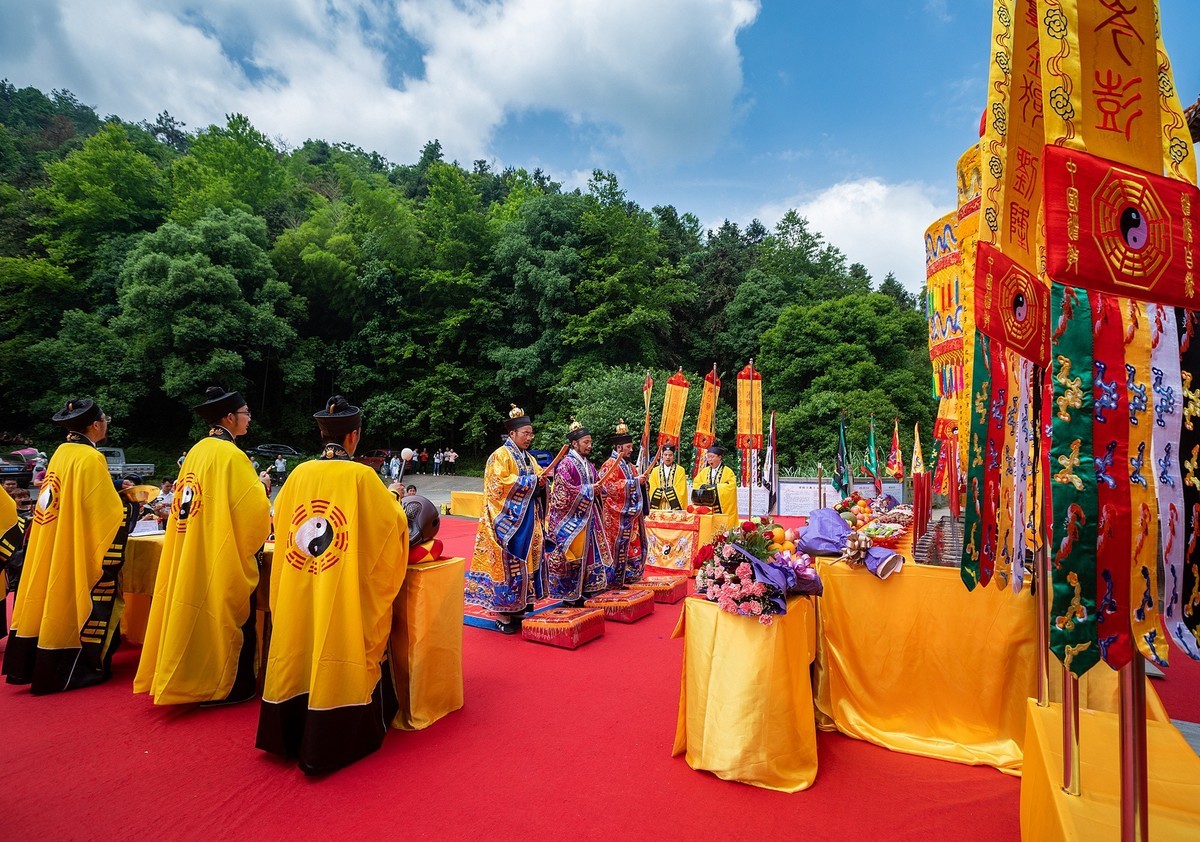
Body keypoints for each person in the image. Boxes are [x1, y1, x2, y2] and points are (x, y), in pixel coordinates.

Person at [256, 395, 409, 775]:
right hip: (339, 585)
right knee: (338, 639)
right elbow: (392, 529)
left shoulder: (298, 475)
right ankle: (336, 731)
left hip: (301, 579)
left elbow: (280, 524)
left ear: (322, 433)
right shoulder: (362, 477)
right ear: (354, 437)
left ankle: (287, 730)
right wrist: (392, 495)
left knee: (299, 640)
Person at [133, 386, 271, 705]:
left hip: (193, 544)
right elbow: (253, 514)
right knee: (225, 619)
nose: (249, 419)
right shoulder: (231, 456)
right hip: (220, 554)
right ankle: (228, 685)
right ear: (229, 417)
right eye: (246, 413)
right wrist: (262, 491)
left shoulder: (196, 452)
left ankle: (190, 678)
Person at [3, 398, 136, 693]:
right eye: (105, 419)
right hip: (75, 543)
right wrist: (129, 502)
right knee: (75, 598)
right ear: (94, 425)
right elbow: (106, 513)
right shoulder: (90, 458)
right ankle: (76, 664)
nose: (106, 424)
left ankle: (36, 660)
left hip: (53, 535)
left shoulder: (62, 453)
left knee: (51, 595)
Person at [466, 406, 558, 633]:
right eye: (525, 433)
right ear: (512, 434)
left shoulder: (528, 458)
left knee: (528, 561)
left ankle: (518, 607)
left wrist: (544, 480)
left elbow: (538, 479)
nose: (529, 437)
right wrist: (534, 481)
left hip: (528, 519)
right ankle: (502, 613)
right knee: (509, 563)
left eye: (531, 433)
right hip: (506, 522)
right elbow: (499, 485)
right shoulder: (500, 455)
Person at [543, 420, 613, 607]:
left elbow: (598, 485)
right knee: (573, 557)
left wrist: (600, 490)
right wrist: (590, 489)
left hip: (590, 519)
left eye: (590, 442)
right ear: (575, 444)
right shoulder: (566, 464)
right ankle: (569, 595)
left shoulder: (589, 466)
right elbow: (563, 492)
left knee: (590, 554)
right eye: (586, 442)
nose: (589, 446)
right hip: (572, 522)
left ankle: (585, 589)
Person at [598, 420, 650, 587]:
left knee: (634, 543)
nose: (631, 450)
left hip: (631, 514)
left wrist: (642, 482)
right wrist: (634, 482)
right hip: (616, 516)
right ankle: (616, 578)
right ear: (619, 448)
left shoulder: (630, 466)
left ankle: (631, 575)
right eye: (628, 447)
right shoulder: (608, 465)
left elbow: (635, 482)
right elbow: (609, 487)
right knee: (619, 546)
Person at [699, 443, 739, 531]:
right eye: (708, 457)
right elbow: (697, 484)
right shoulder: (704, 472)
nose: (709, 460)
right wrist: (703, 487)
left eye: (712, 457)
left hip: (722, 508)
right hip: (708, 507)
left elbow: (731, 487)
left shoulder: (728, 472)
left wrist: (715, 488)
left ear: (719, 457)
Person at [648, 444, 688, 510]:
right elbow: (651, 487)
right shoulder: (655, 470)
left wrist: (666, 494)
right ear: (662, 456)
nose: (667, 457)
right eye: (665, 455)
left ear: (673, 456)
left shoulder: (680, 470)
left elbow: (681, 489)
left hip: (674, 506)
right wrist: (661, 494)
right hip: (659, 504)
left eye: (670, 455)